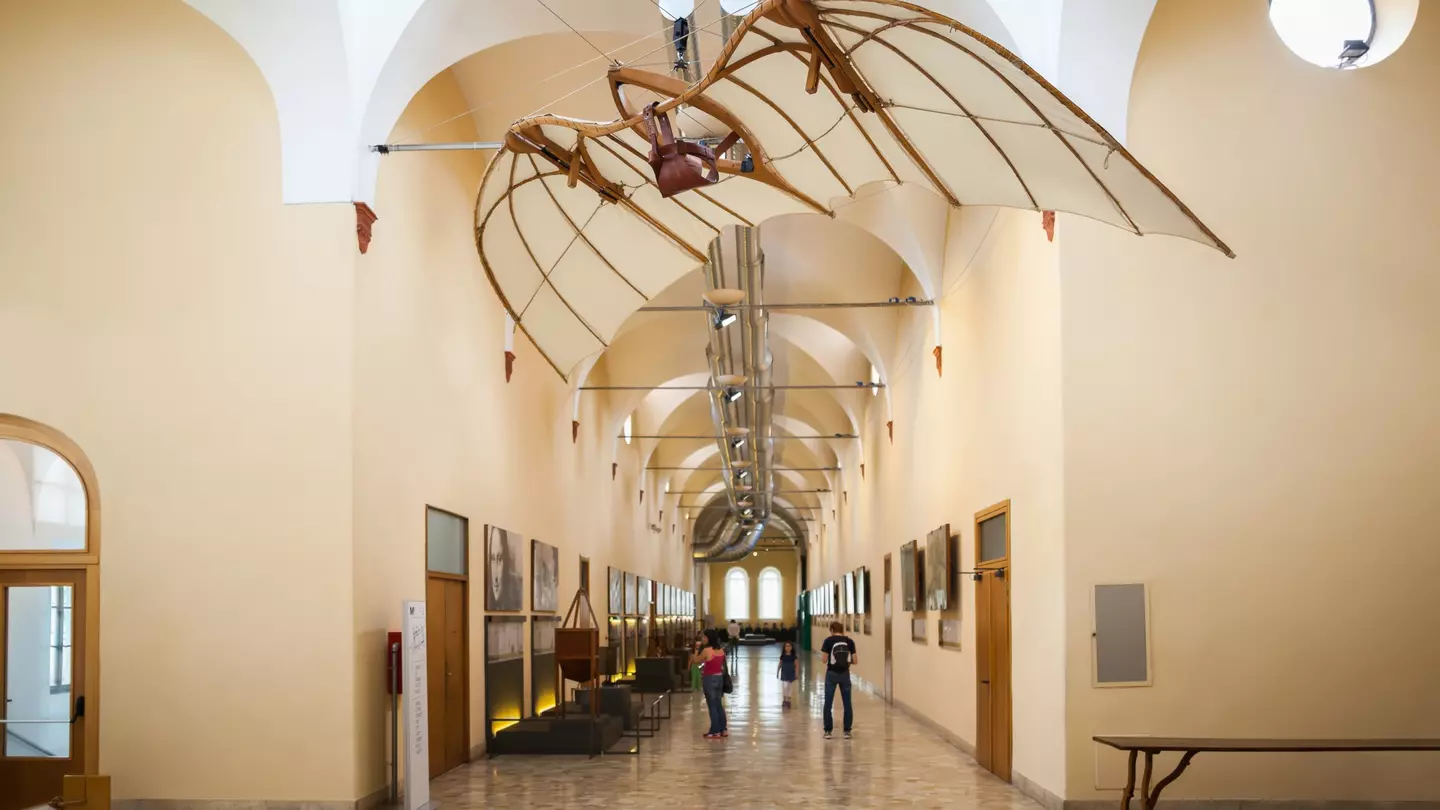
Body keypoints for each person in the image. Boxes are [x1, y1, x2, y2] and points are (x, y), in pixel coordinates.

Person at [820, 621, 857, 739]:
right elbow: (855, 661)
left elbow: (824, 660)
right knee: (847, 703)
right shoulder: (849, 641)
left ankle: (828, 731)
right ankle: (847, 731)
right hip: (845, 674)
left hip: (831, 674)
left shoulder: (828, 641)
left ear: (831, 629)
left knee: (828, 703)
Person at [691, 629, 728, 739]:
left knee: (712, 705)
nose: (703, 639)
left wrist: (697, 649)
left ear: (709, 638)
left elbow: (696, 661)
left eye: (705, 637)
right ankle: (723, 729)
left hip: (709, 679)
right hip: (719, 678)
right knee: (718, 705)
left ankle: (715, 731)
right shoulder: (721, 650)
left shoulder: (707, 650)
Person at [777, 640, 798, 709]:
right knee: (784, 686)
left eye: (789, 646)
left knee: (789, 687)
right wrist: (777, 671)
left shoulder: (793, 656)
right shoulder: (783, 656)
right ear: (784, 647)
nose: (788, 647)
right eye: (786, 646)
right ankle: (784, 699)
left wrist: (796, 673)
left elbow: (796, 665)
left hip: (791, 673)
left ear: (791, 647)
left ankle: (788, 700)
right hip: (784, 673)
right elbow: (780, 664)